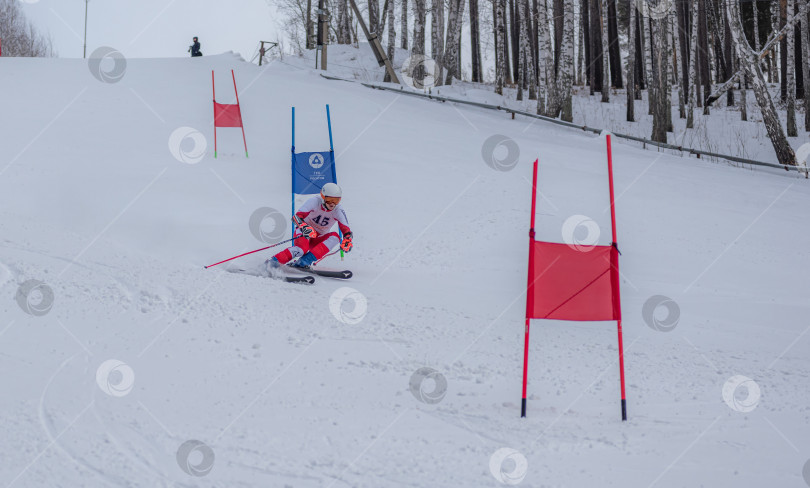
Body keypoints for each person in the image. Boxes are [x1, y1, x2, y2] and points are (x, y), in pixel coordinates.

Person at [265, 183, 353, 277]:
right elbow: (296, 217)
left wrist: (347, 239)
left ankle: (303, 262)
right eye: (329, 200)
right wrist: (304, 227)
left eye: (336, 200)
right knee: (301, 250)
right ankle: (272, 262)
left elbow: (346, 229)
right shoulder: (314, 201)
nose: (332, 204)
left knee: (335, 237)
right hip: (304, 233)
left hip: (317, 238)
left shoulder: (338, 210)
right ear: (323, 197)